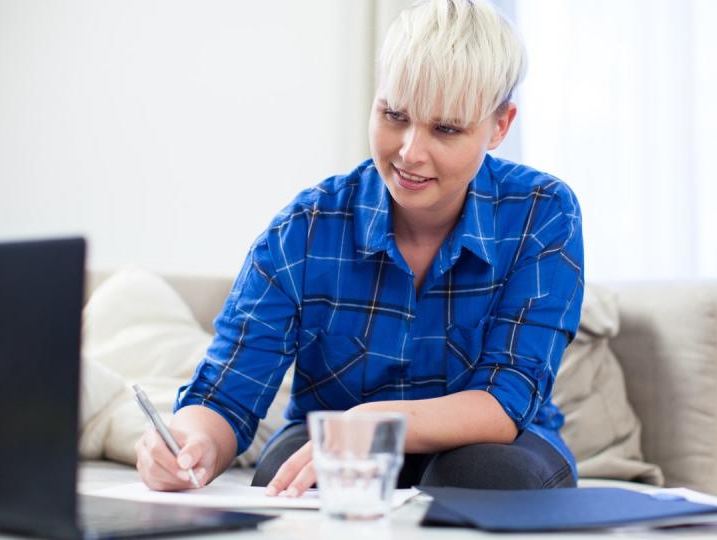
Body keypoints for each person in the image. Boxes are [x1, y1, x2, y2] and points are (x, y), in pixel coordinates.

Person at [135, 0, 584, 496]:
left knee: (481, 475)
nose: (411, 152)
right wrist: (189, 443)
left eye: (446, 129)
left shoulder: (543, 212)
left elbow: (506, 400)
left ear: (500, 126)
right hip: (335, 437)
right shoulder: (305, 228)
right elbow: (225, 395)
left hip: (495, 450)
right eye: (394, 115)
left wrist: (376, 421)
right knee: (291, 473)